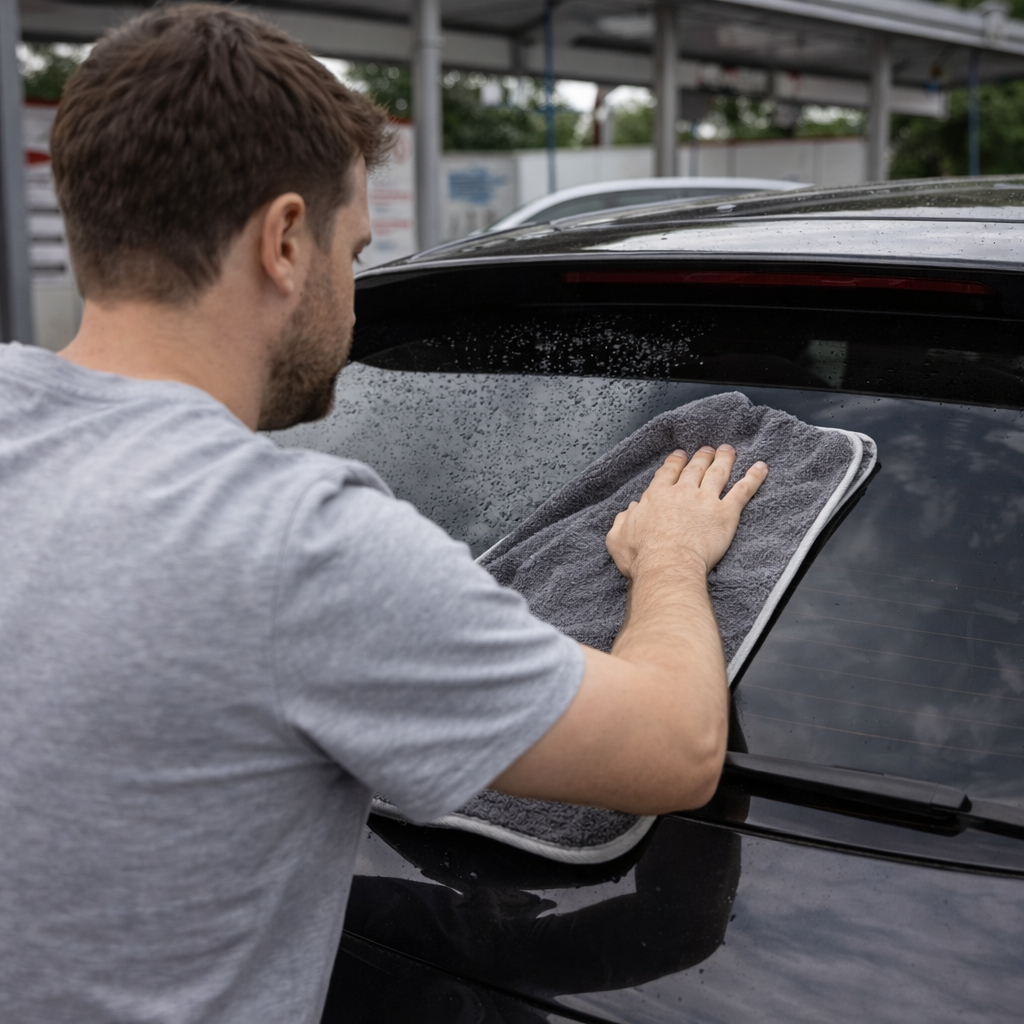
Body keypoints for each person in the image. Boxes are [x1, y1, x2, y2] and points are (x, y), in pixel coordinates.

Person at [0, 6, 767, 1023]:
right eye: (353, 250)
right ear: (283, 239)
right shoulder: (294, 542)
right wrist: (670, 558)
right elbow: (674, 751)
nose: (354, 297)